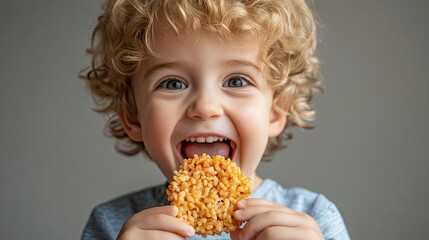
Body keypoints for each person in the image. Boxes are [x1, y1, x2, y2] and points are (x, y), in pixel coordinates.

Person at [81, 0, 350, 239]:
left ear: (276, 111)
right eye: (173, 83)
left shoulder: (314, 220)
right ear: (133, 116)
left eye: (236, 80)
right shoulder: (112, 225)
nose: (205, 107)